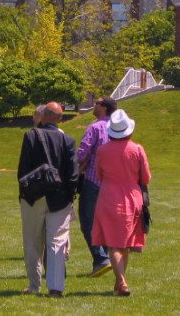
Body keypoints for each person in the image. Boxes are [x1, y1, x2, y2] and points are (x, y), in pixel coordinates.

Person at [17, 101, 78, 297]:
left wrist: (26, 193)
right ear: (60, 119)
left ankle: (34, 284)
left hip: (33, 196)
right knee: (57, 242)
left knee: (32, 242)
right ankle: (56, 288)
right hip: (60, 198)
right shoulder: (68, 140)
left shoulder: (31, 136)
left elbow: (23, 169)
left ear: (42, 117)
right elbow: (73, 174)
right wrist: (70, 196)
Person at [92, 109, 151, 297]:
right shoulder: (138, 149)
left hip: (108, 196)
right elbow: (146, 177)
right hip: (133, 197)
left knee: (114, 243)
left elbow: (99, 175)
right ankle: (122, 281)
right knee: (124, 242)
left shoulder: (102, 150)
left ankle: (121, 281)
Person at [77, 95, 118, 277]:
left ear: (104, 108)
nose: (94, 105)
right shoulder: (118, 129)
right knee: (107, 222)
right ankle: (113, 260)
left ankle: (101, 259)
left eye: (97, 103)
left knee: (87, 220)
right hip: (114, 185)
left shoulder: (95, 127)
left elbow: (81, 154)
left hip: (94, 181)